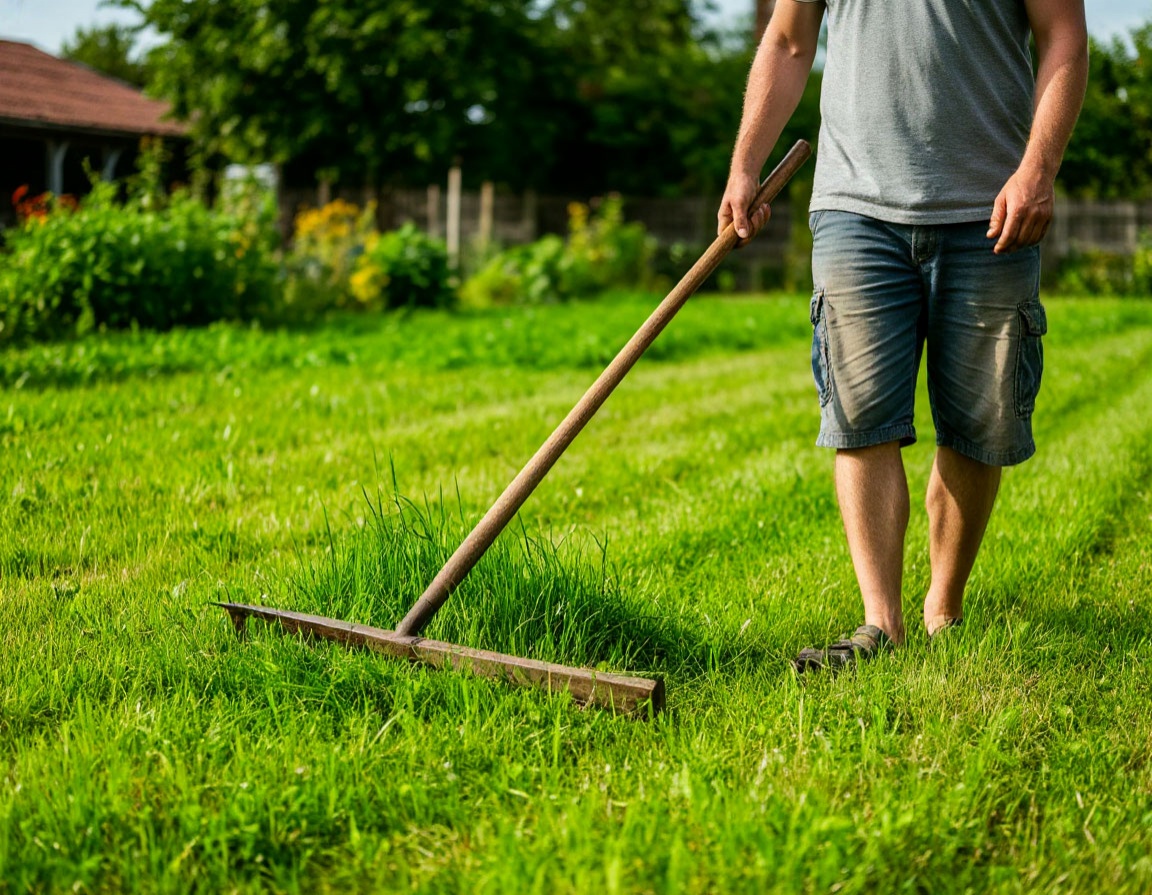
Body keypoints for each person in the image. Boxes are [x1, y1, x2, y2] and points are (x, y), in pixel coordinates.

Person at [717, 0, 1089, 670]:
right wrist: (746, 163)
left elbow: (1063, 37)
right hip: (854, 206)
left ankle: (943, 607)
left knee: (981, 420)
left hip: (989, 208)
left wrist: (1039, 168)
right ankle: (880, 622)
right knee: (860, 415)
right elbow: (789, 41)